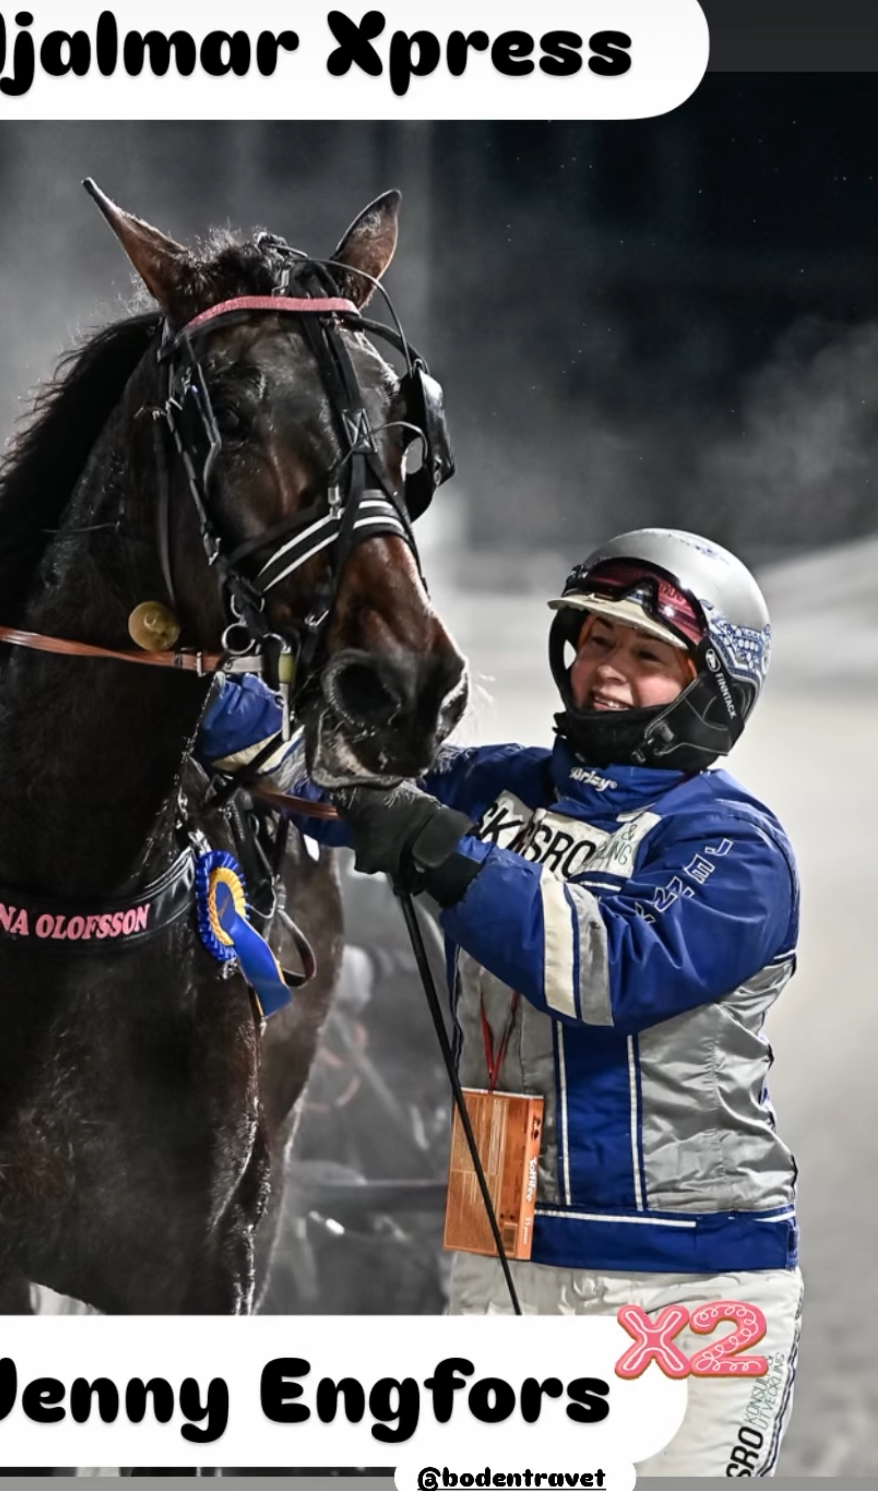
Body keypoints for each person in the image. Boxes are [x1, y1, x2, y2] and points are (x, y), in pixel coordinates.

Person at [198, 528, 801, 1478]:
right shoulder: (500, 783)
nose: (605, 672)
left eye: (645, 656)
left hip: (682, 1280)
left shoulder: (731, 843)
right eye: (595, 641)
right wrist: (190, 682)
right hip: (494, 1255)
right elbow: (318, 779)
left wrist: (439, 845)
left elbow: (611, 973)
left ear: (711, 686)